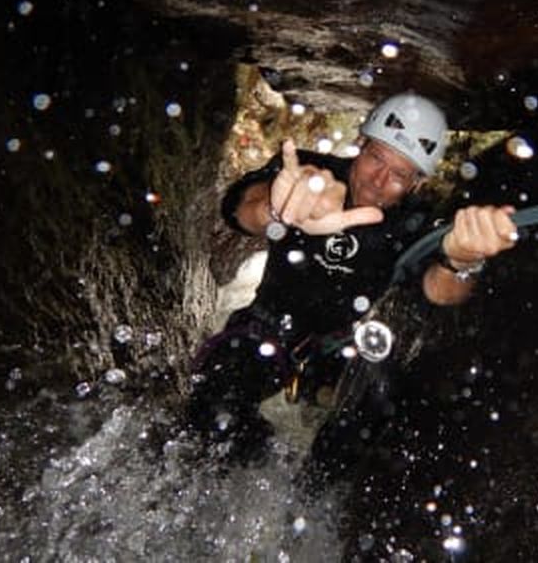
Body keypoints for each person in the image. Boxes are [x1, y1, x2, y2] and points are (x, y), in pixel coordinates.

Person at [188, 92, 518, 467]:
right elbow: (239, 209)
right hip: (266, 329)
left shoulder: (417, 227)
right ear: (360, 145)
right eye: (377, 158)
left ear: (416, 184)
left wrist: (462, 261)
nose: (379, 181)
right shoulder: (308, 176)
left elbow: (438, 291)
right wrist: (275, 208)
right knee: (217, 409)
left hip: (340, 350)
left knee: (356, 451)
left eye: (398, 174)